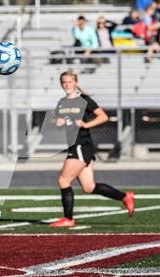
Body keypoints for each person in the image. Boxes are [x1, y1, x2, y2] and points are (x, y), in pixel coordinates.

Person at [49, 71, 134, 228]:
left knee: (63, 180)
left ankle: (68, 218)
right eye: (64, 82)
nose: (66, 85)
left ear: (75, 82)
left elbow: (103, 116)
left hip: (81, 145)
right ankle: (125, 197)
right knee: (89, 187)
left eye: (69, 82)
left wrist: (86, 124)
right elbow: (56, 120)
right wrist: (58, 122)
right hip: (75, 145)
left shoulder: (84, 100)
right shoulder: (62, 102)